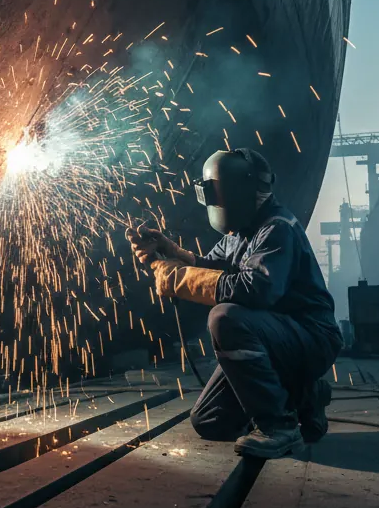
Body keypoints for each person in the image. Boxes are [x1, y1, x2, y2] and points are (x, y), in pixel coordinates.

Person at [126, 148, 343, 458]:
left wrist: (176, 279)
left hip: (311, 339)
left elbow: (256, 290)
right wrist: (170, 252)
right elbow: (211, 267)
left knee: (225, 318)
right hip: (276, 339)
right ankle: (305, 396)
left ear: (236, 190)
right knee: (210, 421)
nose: (213, 202)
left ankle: (279, 427)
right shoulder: (241, 231)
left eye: (215, 193)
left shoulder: (276, 228)